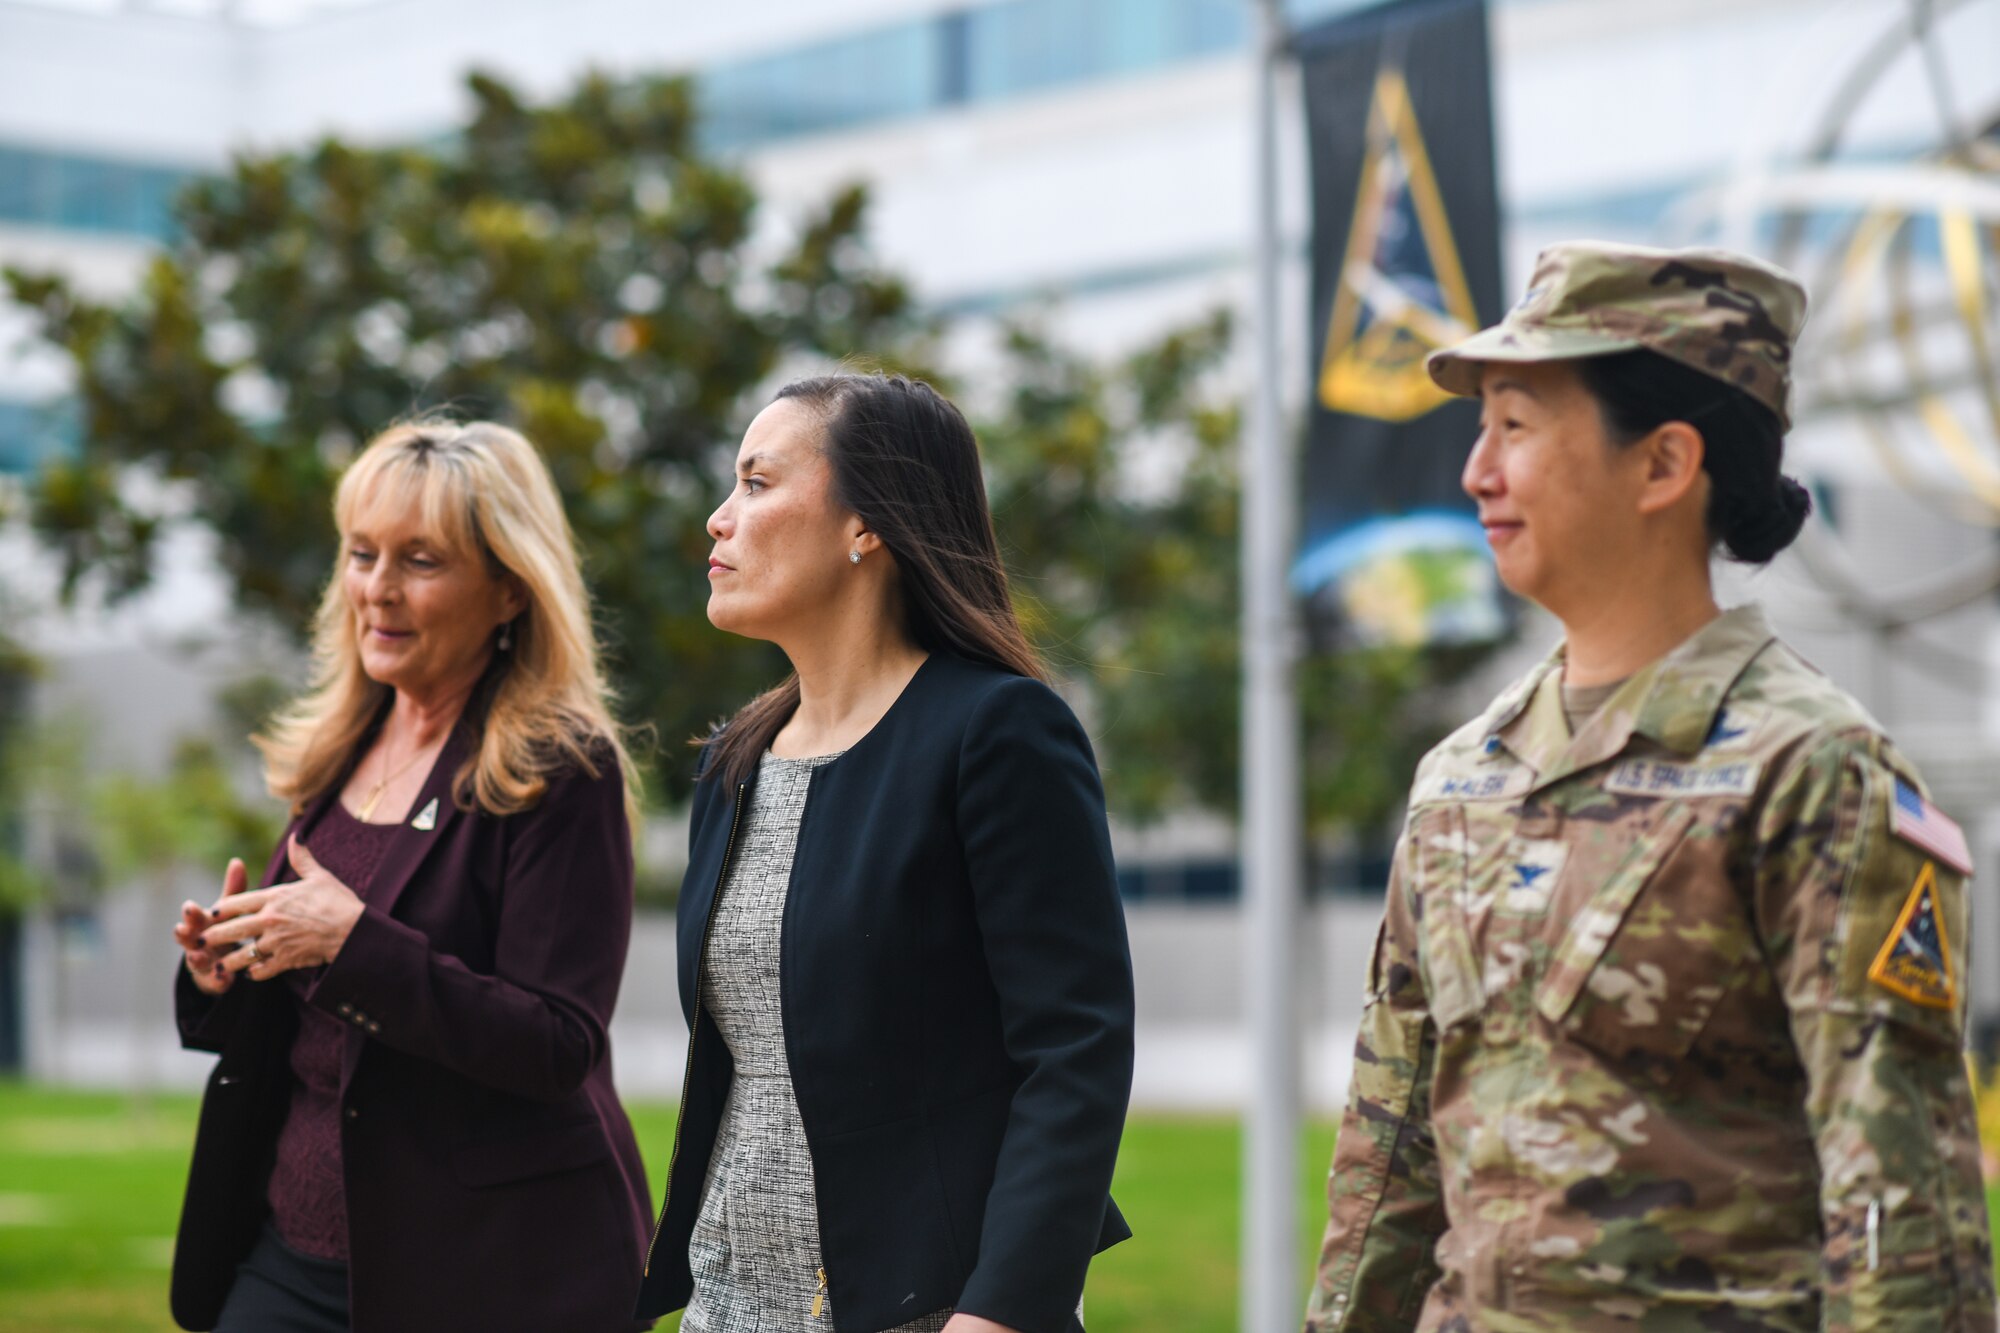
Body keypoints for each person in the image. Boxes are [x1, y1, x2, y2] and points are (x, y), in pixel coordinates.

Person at [1304, 241, 1995, 1331]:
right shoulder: (1459, 782)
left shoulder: (1810, 772)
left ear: (1663, 465)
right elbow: (1386, 1158)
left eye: (1515, 425)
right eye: (1479, 428)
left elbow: (1902, 1211)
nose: (1474, 472)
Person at [632, 373, 1135, 1333]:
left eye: (757, 481)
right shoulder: (733, 762)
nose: (717, 518)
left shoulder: (998, 732)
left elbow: (1075, 1051)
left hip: (925, 1306)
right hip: (735, 1307)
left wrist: (999, 1314)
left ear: (866, 522)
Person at [168, 420, 652, 1333]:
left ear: (510, 589)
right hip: (289, 1247)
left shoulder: (558, 767)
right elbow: (311, 989)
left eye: (421, 560)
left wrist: (351, 944)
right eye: (361, 554)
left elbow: (555, 1042)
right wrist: (226, 965)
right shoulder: (337, 747)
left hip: (481, 1267)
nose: (377, 590)